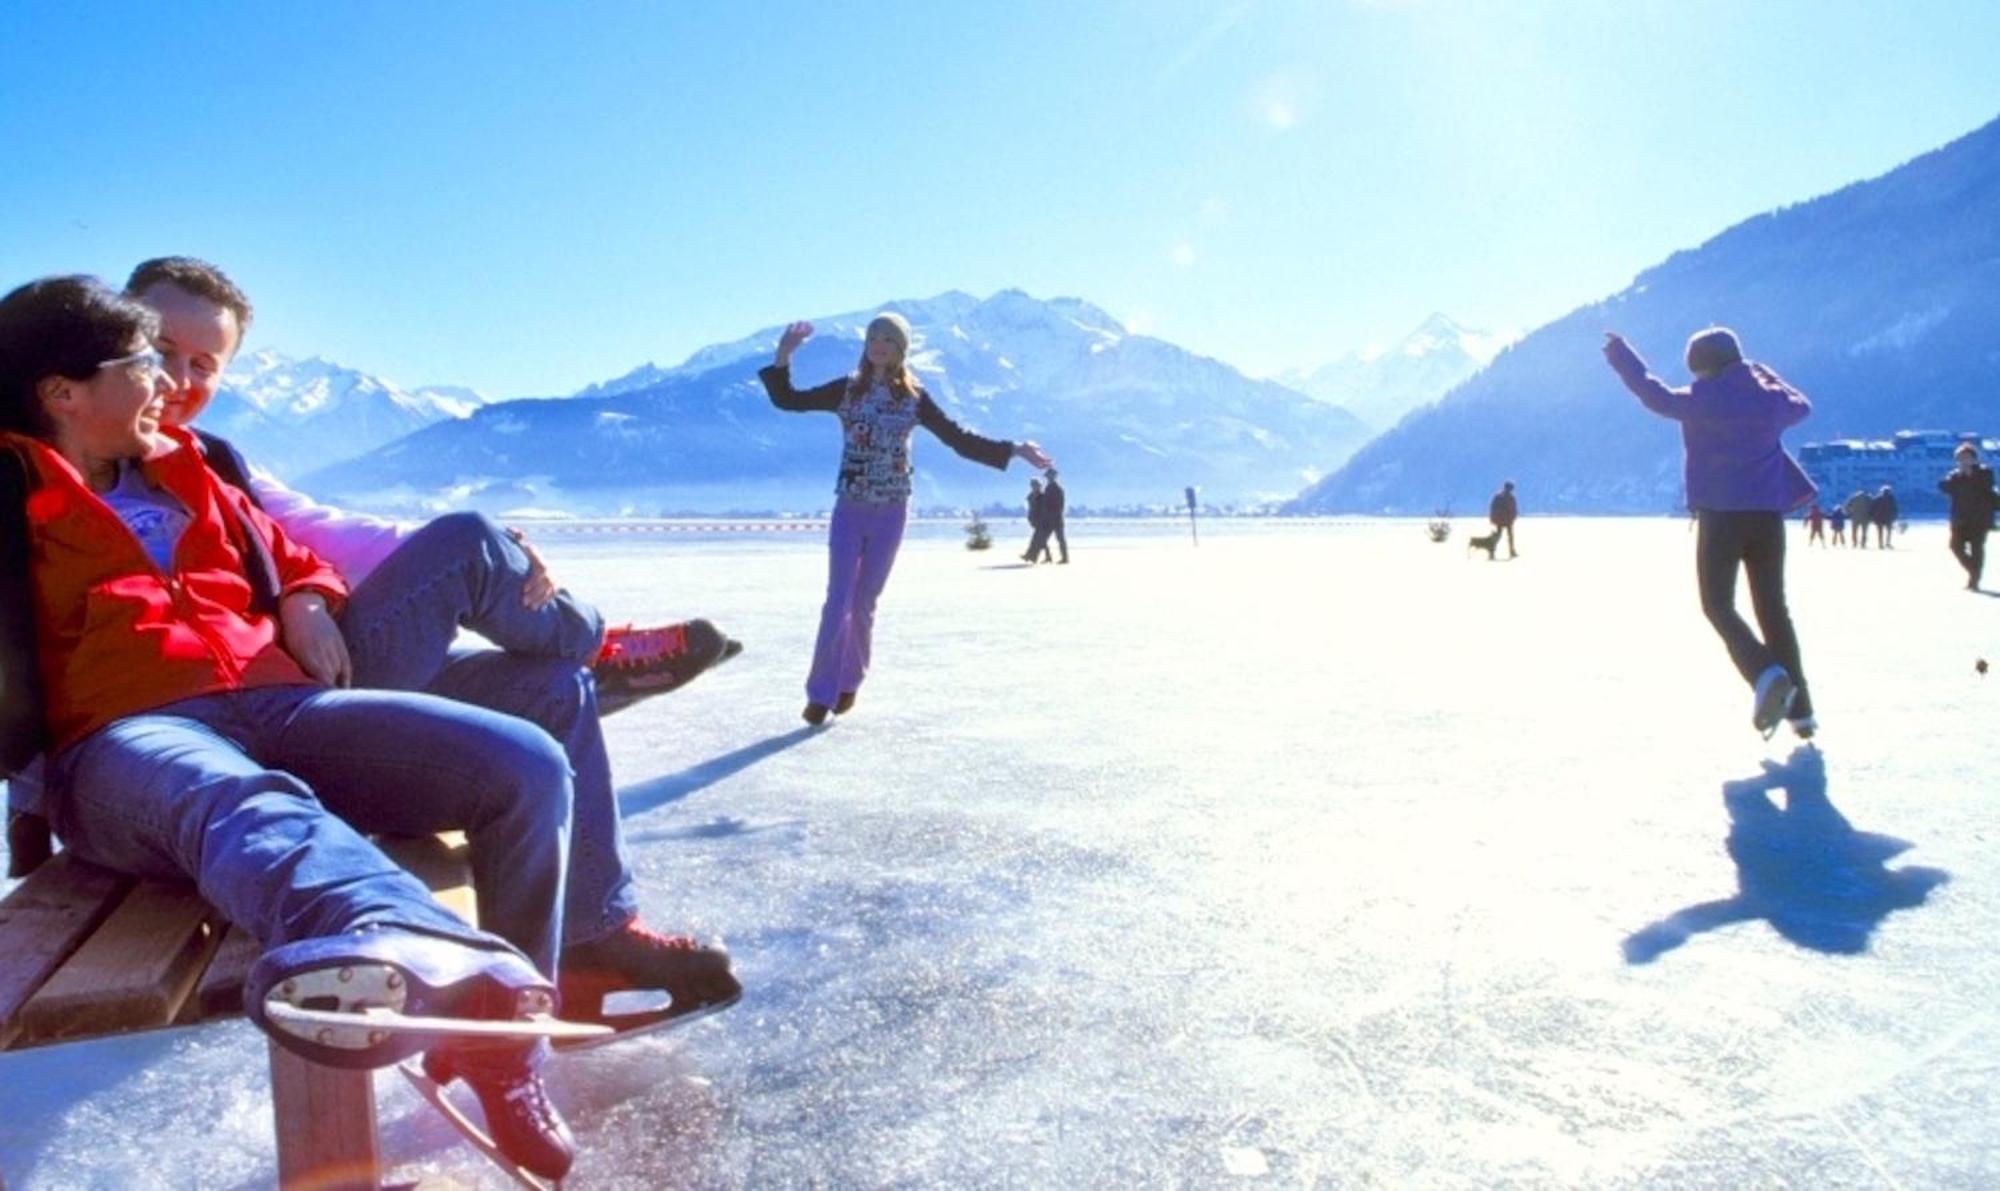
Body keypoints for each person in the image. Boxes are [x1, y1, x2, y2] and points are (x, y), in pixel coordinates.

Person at [0, 276, 576, 1176]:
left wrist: (307, 594)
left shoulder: (196, 467)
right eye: (143, 362)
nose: (166, 381)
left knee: (525, 763)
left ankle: (499, 1048)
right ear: (62, 393)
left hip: (273, 699)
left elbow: (302, 552)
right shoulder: (11, 487)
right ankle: (404, 935)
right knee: (240, 799)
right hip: (124, 738)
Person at [118, 258, 741, 1038]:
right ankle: (596, 643)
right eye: (159, 349)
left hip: (305, 681)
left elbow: (320, 531)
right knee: (469, 545)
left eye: (203, 364)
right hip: (255, 729)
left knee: (550, 687)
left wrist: (307, 590)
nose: (178, 377)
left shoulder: (214, 460)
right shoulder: (65, 462)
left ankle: (580, 951)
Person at [760, 313, 1051, 724]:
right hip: (850, 507)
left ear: (901, 350)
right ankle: (819, 693)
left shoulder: (913, 398)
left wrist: (1014, 449)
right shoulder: (847, 390)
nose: (879, 344)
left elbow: (959, 440)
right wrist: (783, 356)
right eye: (873, 337)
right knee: (837, 601)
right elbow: (789, 400)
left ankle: (849, 681)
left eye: (889, 340)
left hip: (892, 511)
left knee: (864, 603)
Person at [1603, 327, 1818, 739]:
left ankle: (1763, 672)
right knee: (1774, 611)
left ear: (1701, 366)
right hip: (1768, 518)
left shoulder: (1703, 399)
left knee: (1718, 605)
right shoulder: (1769, 399)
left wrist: (1620, 356)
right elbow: (1802, 405)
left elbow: (1654, 395)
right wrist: (1763, 374)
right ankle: (1802, 712)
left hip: (1721, 518)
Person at [1941, 441, 1997, 590]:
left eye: (1966, 458)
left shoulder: (1985, 473)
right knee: (1955, 546)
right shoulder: (1954, 476)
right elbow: (1944, 487)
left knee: (1977, 548)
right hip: (1960, 519)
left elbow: (1988, 486)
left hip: (1980, 519)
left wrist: (1971, 475)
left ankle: (1974, 580)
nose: (1963, 461)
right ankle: (1974, 571)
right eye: (1960, 459)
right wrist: (1958, 476)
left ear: (1974, 459)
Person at [1043, 468, 1070, 564]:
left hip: (1056, 518)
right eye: (1047, 476)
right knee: (1043, 539)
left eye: (1049, 476)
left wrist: (1053, 514)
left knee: (1060, 539)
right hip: (1049, 518)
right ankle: (1048, 557)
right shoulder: (1048, 488)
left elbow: (1060, 505)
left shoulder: (1058, 489)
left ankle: (1065, 558)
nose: (1047, 478)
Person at [1022, 477, 1051, 563]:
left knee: (1036, 539)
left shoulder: (1042, 496)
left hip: (1042, 520)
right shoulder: (1031, 496)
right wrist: (1031, 519)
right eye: (1033, 485)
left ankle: (1031, 556)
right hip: (1035, 520)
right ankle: (1047, 556)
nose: (1034, 487)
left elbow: (1044, 509)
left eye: (1035, 485)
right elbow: (1031, 509)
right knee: (1041, 539)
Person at [1488, 480, 1519, 559]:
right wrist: (1513, 516)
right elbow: (1513, 509)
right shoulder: (1508, 497)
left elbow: (1492, 508)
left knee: (1499, 536)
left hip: (1501, 519)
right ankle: (1510, 551)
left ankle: (1493, 552)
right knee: (1507, 536)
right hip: (1506, 520)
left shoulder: (1499, 496)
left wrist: (1493, 518)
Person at [1872, 484, 1899, 549]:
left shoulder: (1877, 498)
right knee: (1889, 531)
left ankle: (1880, 544)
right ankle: (1887, 543)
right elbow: (1895, 508)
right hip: (1888, 518)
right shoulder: (1891, 499)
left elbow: (1872, 508)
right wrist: (1894, 516)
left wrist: (1873, 517)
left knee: (1880, 532)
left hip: (1879, 518)